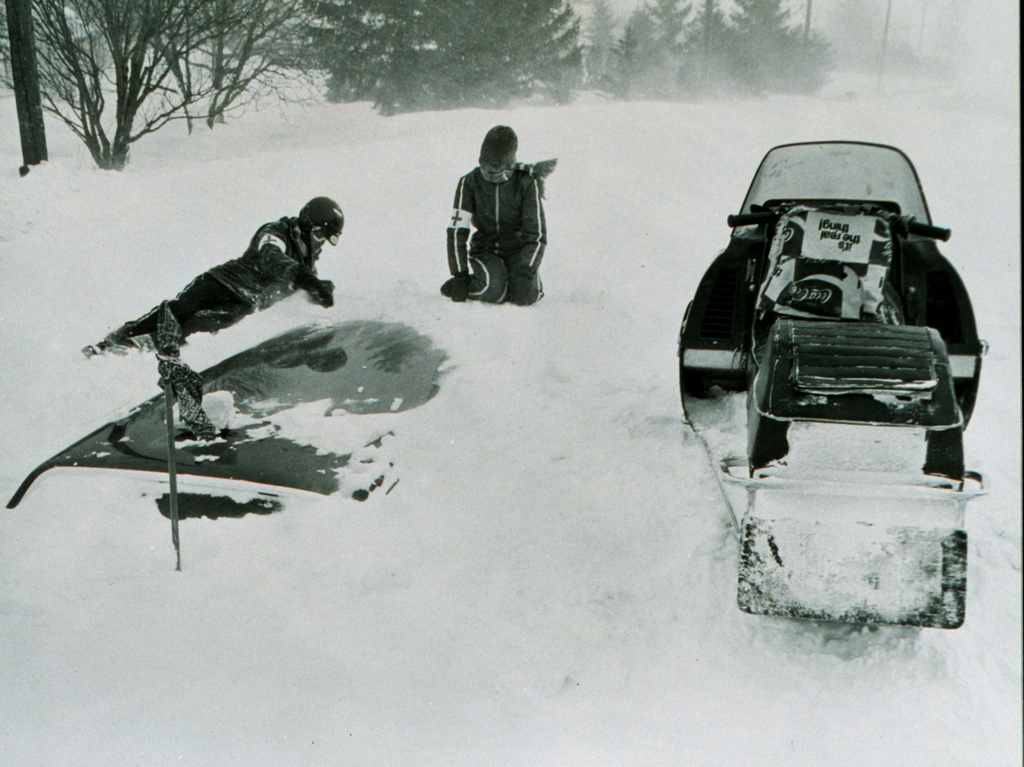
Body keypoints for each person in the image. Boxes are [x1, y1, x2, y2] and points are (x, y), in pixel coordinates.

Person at [83, 196, 344, 357]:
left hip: (244, 301)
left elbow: (300, 287)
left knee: (205, 323)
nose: (319, 244)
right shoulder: (276, 231)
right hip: (221, 281)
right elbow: (270, 256)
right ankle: (116, 338)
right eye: (319, 236)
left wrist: (319, 292)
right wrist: (306, 279)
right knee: (181, 309)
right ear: (309, 224)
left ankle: (147, 342)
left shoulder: (307, 261)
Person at [441, 126, 555, 306]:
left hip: (516, 250)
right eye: (484, 169)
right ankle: (471, 282)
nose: (487, 176)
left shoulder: (525, 183)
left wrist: (527, 270)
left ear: (509, 166)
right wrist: (460, 274)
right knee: (494, 291)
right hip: (486, 250)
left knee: (524, 297)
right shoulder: (468, 183)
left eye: (494, 172)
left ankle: (519, 279)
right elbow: (457, 231)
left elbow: (536, 233)